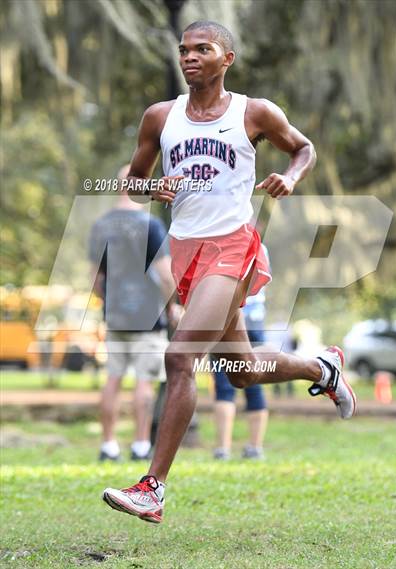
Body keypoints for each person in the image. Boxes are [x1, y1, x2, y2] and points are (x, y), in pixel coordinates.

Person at [103, 20, 356, 524]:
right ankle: (320, 368)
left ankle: (152, 488)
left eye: (203, 49)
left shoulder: (254, 112)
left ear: (227, 59)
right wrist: (152, 188)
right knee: (240, 372)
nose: (189, 57)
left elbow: (303, 148)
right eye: (184, 50)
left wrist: (289, 175)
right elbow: (130, 176)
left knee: (180, 358)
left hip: (233, 246)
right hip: (186, 252)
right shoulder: (160, 117)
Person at [89, 165, 176, 461]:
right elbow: (165, 276)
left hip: (115, 316)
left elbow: (95, 279)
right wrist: (173, 306)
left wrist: (109, 302)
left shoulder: (101, 225)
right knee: (144, 381)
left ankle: (108, 444)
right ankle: (140, 445)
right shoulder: (150, 225)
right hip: (148, 317)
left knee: (113, 379)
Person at [213, 243, 269, 461]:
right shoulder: (261, 248)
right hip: (256, 322)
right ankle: (255, 448)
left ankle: (222, 449)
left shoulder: (222, 245)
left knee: (224, 385)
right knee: (255, 384)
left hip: (230, 320)